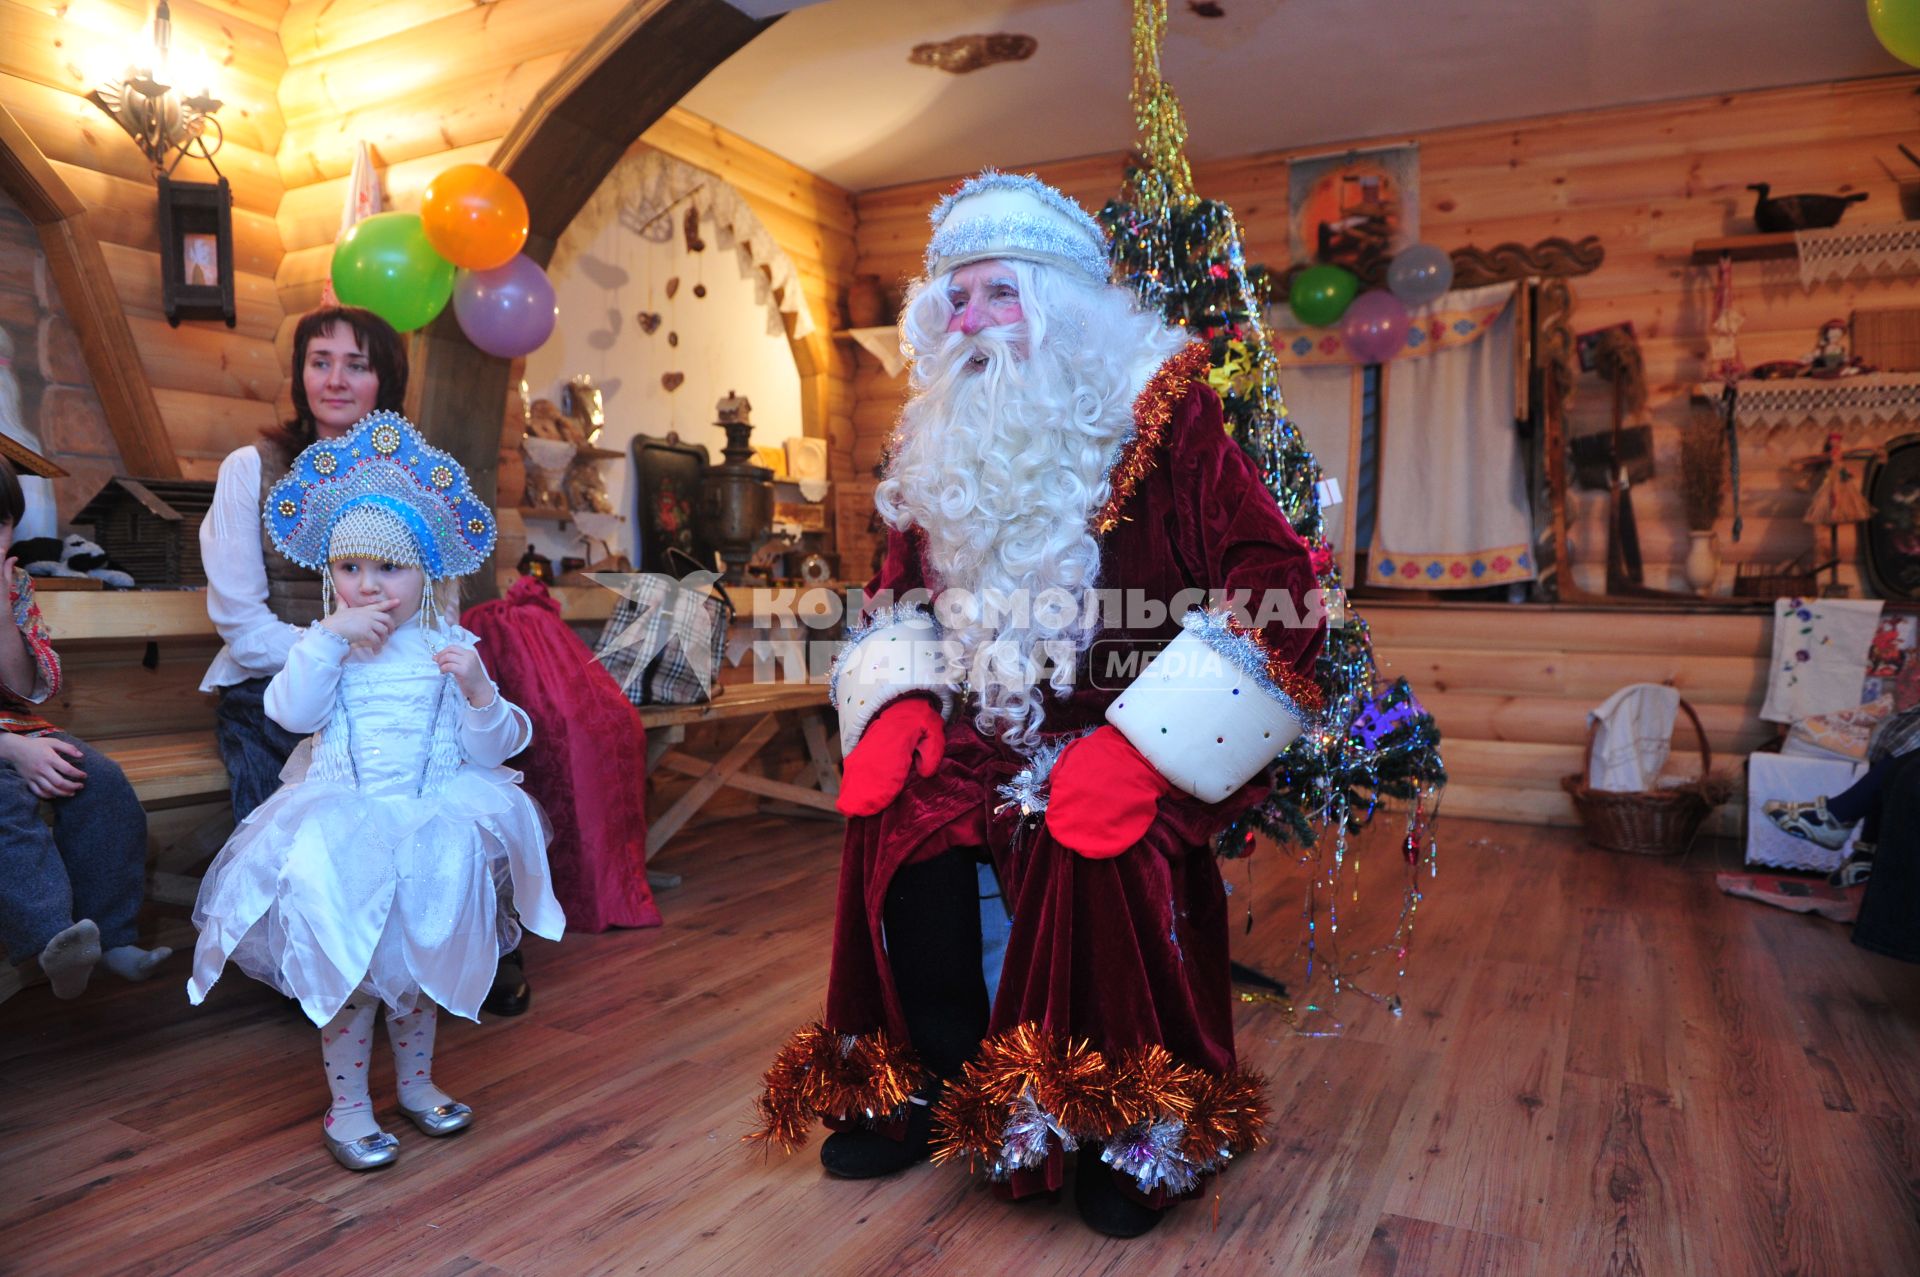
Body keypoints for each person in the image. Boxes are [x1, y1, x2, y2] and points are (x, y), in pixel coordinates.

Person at [751, 171, 1326, 1237]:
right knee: (902, 815)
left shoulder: (1165, 414)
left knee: (1090, 840)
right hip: (982, 723)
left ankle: (1130, 1119)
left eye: (996, 295)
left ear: (1060, 304)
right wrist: (903, 704)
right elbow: (896, 595)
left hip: (1125, 723)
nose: (969, 321)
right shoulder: (937, 438)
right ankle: (924, 1078)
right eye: (954, 300)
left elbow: (1281, 594)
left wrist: (1148, 748)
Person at [187, 412, 565, 1171]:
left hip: (430, 829)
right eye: (351, 567)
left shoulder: (448, 651)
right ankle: (351, 1103)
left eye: (389, 568)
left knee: (418, 969)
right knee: (352, 976)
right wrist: (326, 639)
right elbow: (287, 713)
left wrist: (483, 690)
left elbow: (495, 747)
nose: (369, 584)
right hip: (343, 832)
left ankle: (418, 1086)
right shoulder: (322, 649)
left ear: (425, 576)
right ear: (331, 575)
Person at [199, 306, 534, 1015]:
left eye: (358, 363)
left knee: (453, 774)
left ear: (386, 379)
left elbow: (436, 605)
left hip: (389, 674)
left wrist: (401, 658)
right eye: (320, 361)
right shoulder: (249, 470)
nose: (336, 378)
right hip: (280, 677)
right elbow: (238, 618)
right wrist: (338, 643)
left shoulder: (414, 482)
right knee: (301, 807)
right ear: (300, 375)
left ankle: (459, 941)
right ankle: (320, 960)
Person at [0, 457, 170, 997]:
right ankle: (54, 941)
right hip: (6, 742)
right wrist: (10, 750)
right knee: (6, 801)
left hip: (13, 723)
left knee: (99, 780)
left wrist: (3, 614)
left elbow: (33, 688)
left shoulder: (16, 585)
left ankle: (113, 936)